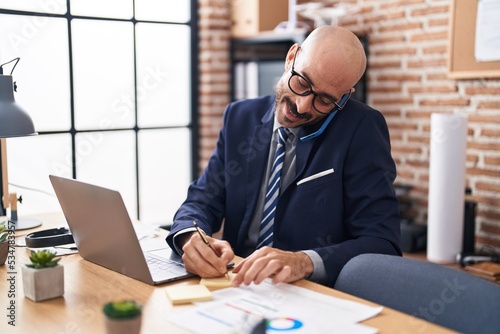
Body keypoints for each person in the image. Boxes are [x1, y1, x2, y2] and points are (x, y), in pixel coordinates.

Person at [166, 25, 401, 288]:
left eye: (324, 100)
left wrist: (304, 261)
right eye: (302, 83)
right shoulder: (239, 118)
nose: (302, 106)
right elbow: (202, 199)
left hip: (308, 292)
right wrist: (190, 237)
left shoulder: (361, 128)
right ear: (291, 57)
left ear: (344, 97)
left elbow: (382, 242)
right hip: (234, 285)